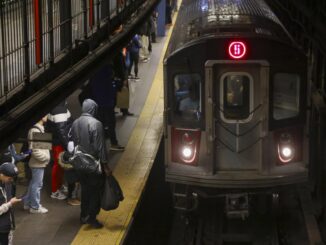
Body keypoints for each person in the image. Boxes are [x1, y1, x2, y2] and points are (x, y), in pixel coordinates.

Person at [71, 99, 111, 229]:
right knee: (95, 191)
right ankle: (92, 218)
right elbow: (100, 147)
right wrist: (105, 165)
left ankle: (83, 215)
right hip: (93, 164)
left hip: (79, 163)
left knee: (85, 189)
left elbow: (73, 142)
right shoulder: (96, 124)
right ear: (93, 109)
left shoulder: (75, 122)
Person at [90, 65, 125, 151]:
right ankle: (114, 144)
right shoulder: (106, 73)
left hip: (98, 103)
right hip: (107, 103)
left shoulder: (94, 74)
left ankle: (96, 144)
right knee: (111, 124)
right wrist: (116, 84)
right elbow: (110, 90)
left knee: (99, 124)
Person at [23, 116, 50, 214]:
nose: (47, 116)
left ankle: (27, 202)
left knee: (33, 184)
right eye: (46, 114)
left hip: (37, 163)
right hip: (37, 163)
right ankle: (35, 207)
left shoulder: (39, 128)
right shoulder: (36, 130)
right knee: (37, 185)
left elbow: (43, 147)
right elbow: (35, 151)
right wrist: (46, 158)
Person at [47, 101, 73, 200]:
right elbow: (62, 131)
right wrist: (67, 145)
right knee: (58, 165)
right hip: (59, 143)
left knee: (60, 165)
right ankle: (55, 191)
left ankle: (59, 185)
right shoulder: (59, 110)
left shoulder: (57, 106)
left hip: (56, 141)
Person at [0, 162, 20, 245]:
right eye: (9, 178)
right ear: (1, 174)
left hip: (8, 224)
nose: (11, 180)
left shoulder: (7, 183)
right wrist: (9, 204)